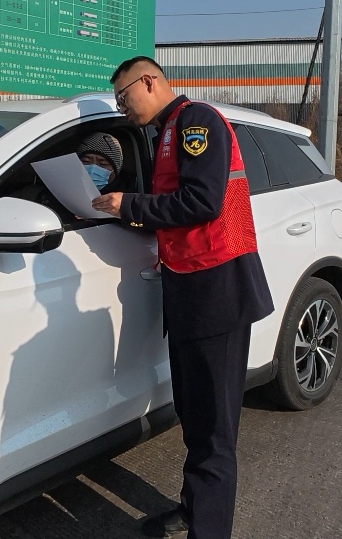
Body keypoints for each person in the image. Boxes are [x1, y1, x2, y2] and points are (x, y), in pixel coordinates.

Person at [92, 56, 273, 539]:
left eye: (124, 95)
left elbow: (202, 201)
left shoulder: (196, 122)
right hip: (190, 290)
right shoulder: (165, 132)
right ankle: (195, 510)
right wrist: (122, 205)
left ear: (149, 81)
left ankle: (208, 528)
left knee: (214, 431)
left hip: (219, 291)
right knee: (195, 417)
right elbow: (171, 205)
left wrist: (129, 206)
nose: (122, 106)